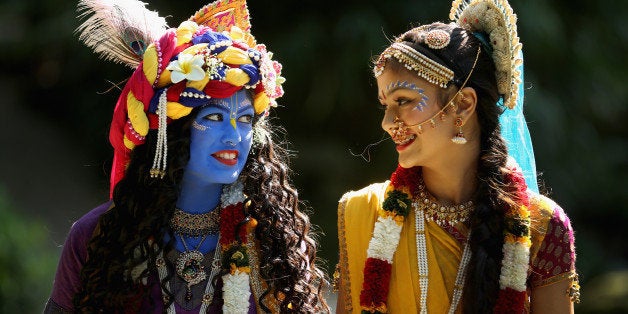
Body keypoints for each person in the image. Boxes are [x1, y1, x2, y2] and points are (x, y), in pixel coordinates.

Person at [44, 0, 328, 312]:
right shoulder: (97, 237)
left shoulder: (272, 244)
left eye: (245, 119)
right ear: (172, 128)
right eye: (214, 118)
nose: (234, 136)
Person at [335, 0, 579, 313]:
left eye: (404, 100)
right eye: (385, 105)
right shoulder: (363, 213)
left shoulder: (542, 225)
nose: (387, 123)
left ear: (463, 104)